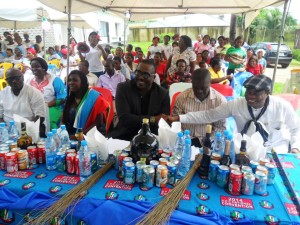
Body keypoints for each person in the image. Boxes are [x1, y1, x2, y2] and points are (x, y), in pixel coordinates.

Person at [167, 75, 300, 153]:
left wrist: (295, 148)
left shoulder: (282, 107)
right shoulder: (237, 104)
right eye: (248, 92)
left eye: (256, 93)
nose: (251, 97)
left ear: (267, 93)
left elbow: (296, 128)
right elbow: (208, 115)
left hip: (276, 150)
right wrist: (178, 118)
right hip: (246, 150)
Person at [110, 60, 170, 141]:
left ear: (154, 78)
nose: (141, 77)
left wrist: (137, 119)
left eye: (146, 75)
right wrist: (153, 119)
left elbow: (163, 121)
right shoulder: (123, 88)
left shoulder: (163, 94)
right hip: (125, 134)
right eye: (138, 73)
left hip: (152, 136)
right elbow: (124, 119)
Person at [172, 69, 226, 147]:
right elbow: (176, 124)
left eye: (203, 88)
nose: (199, 91)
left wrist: (207, 141)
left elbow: (220, 128)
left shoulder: (220, 101)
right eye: (196, 88)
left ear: (210, 83)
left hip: (209, 143)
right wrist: (184, 139)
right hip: (185, 141)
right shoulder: (182, 98)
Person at [62, 70, 110, 136]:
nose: (71, 83)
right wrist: (63, 133)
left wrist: (80, 136)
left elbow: (98, 124)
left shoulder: (95, 98)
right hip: (70, 135)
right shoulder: (69, 99)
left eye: (75, 80)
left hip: (89, 136)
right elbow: (63, 120)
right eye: (69, 80)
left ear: (83, 82)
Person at [0, 68, 46, 136]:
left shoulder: (34, 93)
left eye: (17, 78)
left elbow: (40, 117)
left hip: (29, 130)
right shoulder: (3, 93)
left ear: (23, 77)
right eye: (10, 79)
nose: (14, 81)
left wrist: (25, 130)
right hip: (8, 131)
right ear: (6, 81)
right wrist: (4, 129)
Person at [28, 57, 67, 130]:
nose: (34, 69)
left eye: (37, 66)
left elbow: (62, 98)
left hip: (51, 107)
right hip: (32, 108)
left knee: (49, 123)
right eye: (32, 67)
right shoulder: (29, 79)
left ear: (44, 68)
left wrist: (45, 105)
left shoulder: (55, 80)